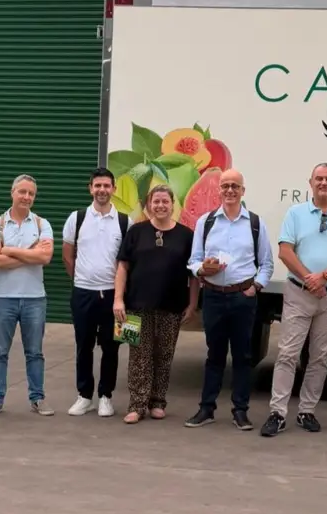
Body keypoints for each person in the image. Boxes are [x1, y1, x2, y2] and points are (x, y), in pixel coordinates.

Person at [261, 163, 327, 437]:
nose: (324, 183)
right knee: (288, 353)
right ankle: (278, 413)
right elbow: (285, 251)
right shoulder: (296, 213)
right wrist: (309, 278)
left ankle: (307, 410)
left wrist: (324, 276)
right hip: (299, 292)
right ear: (311, 182)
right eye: (319, 178)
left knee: (319, 356)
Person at [184, 169, 275, 431]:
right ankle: (206, 409)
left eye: (235, 186)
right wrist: (203, 269)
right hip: (213, 296)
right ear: (219, 190)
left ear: (243, 191)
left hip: (242, 298)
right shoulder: (206, 222)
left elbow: (266, 263)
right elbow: (193, 261)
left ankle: (240, 411)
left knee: (243, 356)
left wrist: (256, 287)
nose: (230, 190)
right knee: (214, 355)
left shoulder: (255, 223)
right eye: (225, 186)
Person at [113, 185, 199, 423]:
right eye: (156, 201)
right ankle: (136, 405)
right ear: (149, 205)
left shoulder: (186, 235)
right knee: (138, 356)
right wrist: (118, 299)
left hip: (172, 306)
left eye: (165, 201)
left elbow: (193, 276)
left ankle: (158, 402)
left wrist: (192, 304)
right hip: (135, 306)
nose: (160, 206)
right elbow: (122, 266)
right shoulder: (136, 232)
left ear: (172, 205)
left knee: (164, 354)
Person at [0, 174, 56, 418]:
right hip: (3, 298)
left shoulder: (42, 224)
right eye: (22, 192)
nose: (26, 197)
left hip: (35, 298)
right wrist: (30, 254)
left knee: (35, 352)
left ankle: (37, 398)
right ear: (12, 193)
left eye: (31, 193)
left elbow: (45, 257)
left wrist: (9, 250)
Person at [62, 168, 128, 419]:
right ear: (90, 188)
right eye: (97, 185)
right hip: (83, 294)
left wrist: (119, 294)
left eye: (106, 186)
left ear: (114, 189)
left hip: (113, 296)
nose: (102, 190)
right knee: (84, 346)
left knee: (111, 348)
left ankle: (105, 396)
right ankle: (84, 396)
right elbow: (67, 256)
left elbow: (126, 262)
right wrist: (82, 280)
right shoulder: (77, 218)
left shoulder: (124, 222)